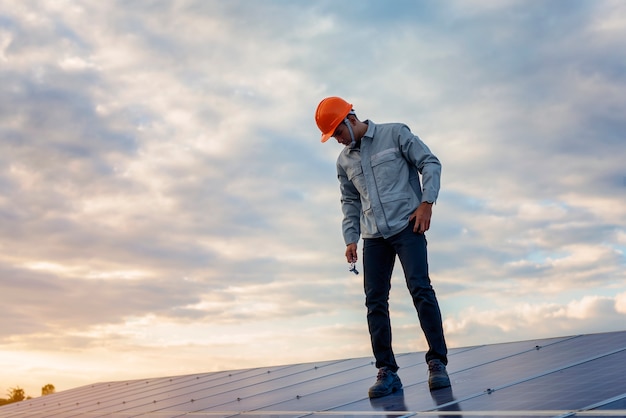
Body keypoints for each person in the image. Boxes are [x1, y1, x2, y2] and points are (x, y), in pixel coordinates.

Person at [314, 96, 451, 398]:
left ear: (350, 120)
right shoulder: (344, 162)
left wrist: (427, 202)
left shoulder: (395, 134)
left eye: (337, 133)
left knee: (420, 288)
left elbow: (429, 162)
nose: (337, 141)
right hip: (373, 236)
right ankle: (387, 371)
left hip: (408, 226)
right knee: (375, 302)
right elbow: (350, 200)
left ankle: (438, 363)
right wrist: (351, 237)